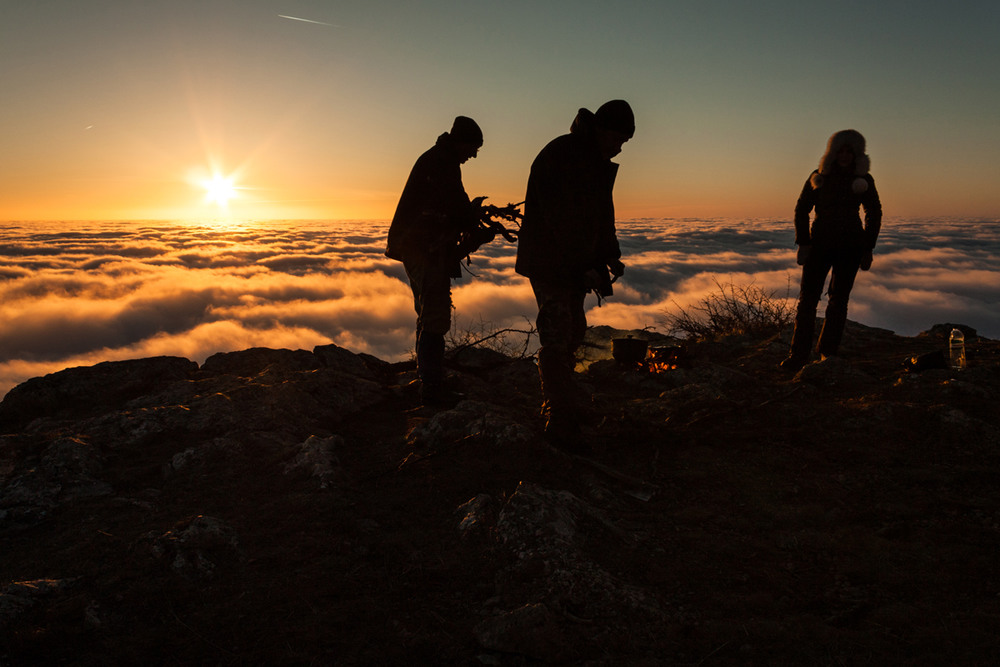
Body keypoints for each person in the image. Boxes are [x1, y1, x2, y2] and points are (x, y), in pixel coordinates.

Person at [515, 100, 634, 448]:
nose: (619, 147)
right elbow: (559, 221)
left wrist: (609, 255)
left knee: (574, 331)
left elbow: (600, 214)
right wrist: (584, 264)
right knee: (556, 332)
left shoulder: (594, 161)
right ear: (602, 130)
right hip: (550, 262)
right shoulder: (562, 156)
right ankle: (557, 412)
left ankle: (565, 401)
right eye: (618, 138)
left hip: (572, 261)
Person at [385, 116, 492, 404]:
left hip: (420, 247)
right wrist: (472, 219)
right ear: (462, 142)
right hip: (423, 249)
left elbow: (452, 205)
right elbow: (452, 206)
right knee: (434, 314)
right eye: (473, 148)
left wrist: (470, 218)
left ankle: (428, 379)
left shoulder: (440, 160)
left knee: (428, 311)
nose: (474, 155)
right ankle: (431, 389)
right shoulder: (440, 163)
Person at [781, 129, 883, 372]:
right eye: (841, 150)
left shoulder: (863, 180)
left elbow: (874, 212)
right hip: (820, 245)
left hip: (850, 246)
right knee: (808, 300)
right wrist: (804, 243)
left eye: (850, 150)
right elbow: (801, 209)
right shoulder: (819, 177)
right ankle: (798, 355)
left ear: (856, 153)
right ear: (833, 152)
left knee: (838, 300)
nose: (845, 155)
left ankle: (827, 353)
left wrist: (868, 247)